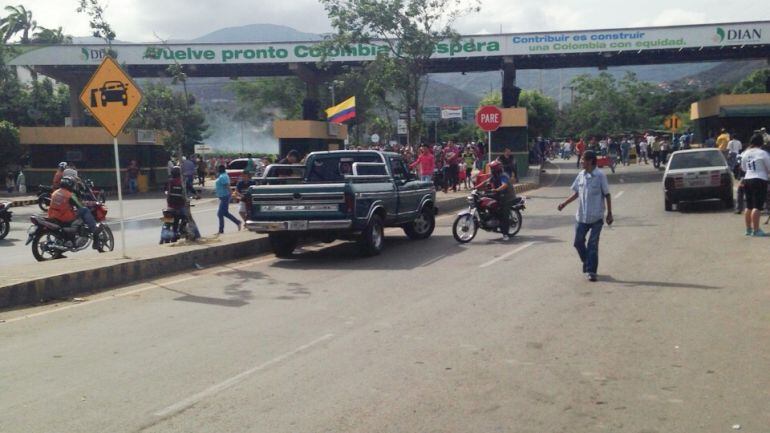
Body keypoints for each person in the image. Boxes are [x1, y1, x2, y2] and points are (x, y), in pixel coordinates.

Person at [557, 151, 613, 282]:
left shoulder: (600, 176)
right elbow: (577, 192)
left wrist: (609, 213)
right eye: (582, 159)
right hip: (582, 216)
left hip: (596, 217)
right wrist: (564, 203)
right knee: (578, 243)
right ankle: (587, 262)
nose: (581, 162)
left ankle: (591, 271)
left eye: (583, 160)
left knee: (593, 244)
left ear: (591, 161)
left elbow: (607, 194)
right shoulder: (581, 175)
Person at [48, 176, 102, 250]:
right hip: (64, 217)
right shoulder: (69, 194)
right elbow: (80, 205)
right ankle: (94, 230)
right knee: (85, 210)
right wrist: (89, 203)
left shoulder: (55, 192)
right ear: (70, 185)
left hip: (52, 215)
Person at [739, 133, 770, 237]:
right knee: (757, 206)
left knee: (749, 206)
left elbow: (743, 168)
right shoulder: (762, 153)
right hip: (759, 179)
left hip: (748, 178)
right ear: (761, 143)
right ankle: (756, 230)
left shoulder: (745, 153)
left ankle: (748, 228)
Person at [487, 160, 516, 241]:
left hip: (507, 197)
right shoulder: (494, 176)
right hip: (499, 195)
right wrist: (476, 187)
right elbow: (486, 182)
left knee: (504, 215)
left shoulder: (503, 175)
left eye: (492, 168)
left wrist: (496, 190)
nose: (491, 170)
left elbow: (504, 184)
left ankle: (505, 234)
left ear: (497, 169)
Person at [215, 165, 241, 234]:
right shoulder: (223, 175)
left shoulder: (222, 176)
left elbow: (227, 186)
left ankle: (221, 230)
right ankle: (237, 222)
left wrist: (232, 194)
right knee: (225, 213)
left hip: (225, 196)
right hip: (223, 196)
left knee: (220, 214)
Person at [165, 166, 186, 240]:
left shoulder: (170, 181)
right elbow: (185, 194)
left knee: (168, 219)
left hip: (170, 206)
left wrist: (168, 201)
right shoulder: (182, 181)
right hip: (179, 206)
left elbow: (168, 193)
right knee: (186, 217)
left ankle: (169, 233)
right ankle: (181, 230)